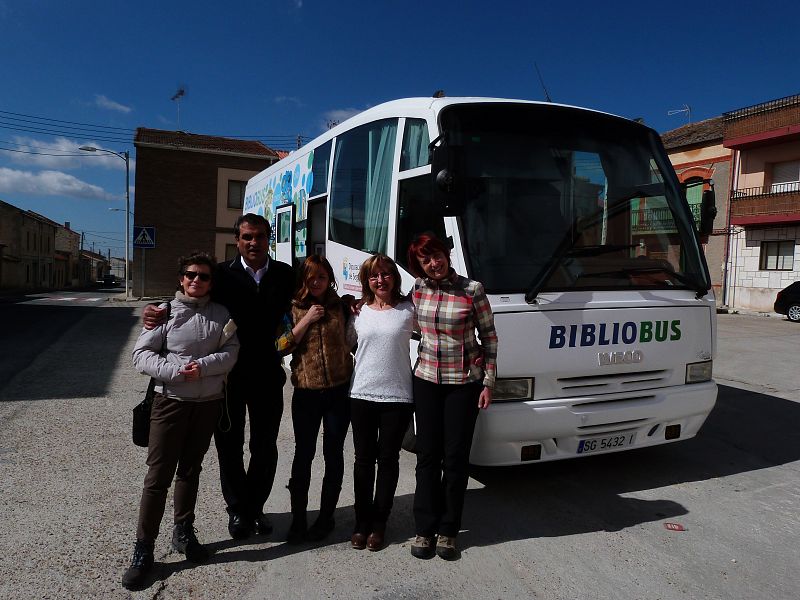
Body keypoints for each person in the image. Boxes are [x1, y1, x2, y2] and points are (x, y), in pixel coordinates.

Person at [143, 214, 294, 540]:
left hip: (269, 375)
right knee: (229, 445)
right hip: (228, 378)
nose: (254, 243)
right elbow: (190, 296)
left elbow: (308, 301)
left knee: (265, 447)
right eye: (247, 237)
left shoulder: (284, 275)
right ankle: (238, 510)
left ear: (270, 238)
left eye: (260, 237)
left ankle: (256, 507)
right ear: (237, 240)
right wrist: (156, 310)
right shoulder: (222, 275)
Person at [123, 252, 240, 590]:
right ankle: (143, 549)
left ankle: (183, 532)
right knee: (158, 477)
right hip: (170, 402)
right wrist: (176, 372)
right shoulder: (164, 313)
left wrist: (202, 368)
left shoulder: (221, 314)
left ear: (211, 282)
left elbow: (232, 353)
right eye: (191, 274)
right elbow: (141, 355)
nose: (196, 281)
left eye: (204, 276)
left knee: (191, 469)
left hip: (207, 405)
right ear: (181, 278)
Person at [406, 234, 498, 561]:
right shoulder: (417, 290)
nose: (434, 263)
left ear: (447, 254)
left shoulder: (473, 291)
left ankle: (448, 531)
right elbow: (405, 324)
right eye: (425, 259)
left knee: (455, 458)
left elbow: (489, 338)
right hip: (427, 380)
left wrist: (488, 381)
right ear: (419, 264)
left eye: (437, 255)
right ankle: (424, 528)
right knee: (427, 456)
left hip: (463, 383)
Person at [276, 255, 355, 543]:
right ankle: (298, 520)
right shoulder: (292, 307)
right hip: (306, 393)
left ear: (329, 278)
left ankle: (326, 518)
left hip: (338, 392)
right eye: (311, 277)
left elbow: (353, 340)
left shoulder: (342, 307)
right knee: (304, 454)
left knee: (333, 454)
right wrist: (307, 319)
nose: (316, 281)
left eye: (321, 276)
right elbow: (281, 346)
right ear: (304, 280)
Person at [348, 254, 415, 552]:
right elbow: (346, 342)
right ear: (367, 281)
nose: (381, 280)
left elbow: (438, 333)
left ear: (395, 278)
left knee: (388, 461)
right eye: (374, 276)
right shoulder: (358, 312)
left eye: (386, 274)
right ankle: (361, 522)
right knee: (363, 462)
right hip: (361, 394)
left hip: (397, 397)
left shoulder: (408, 310)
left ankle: (379, 523)